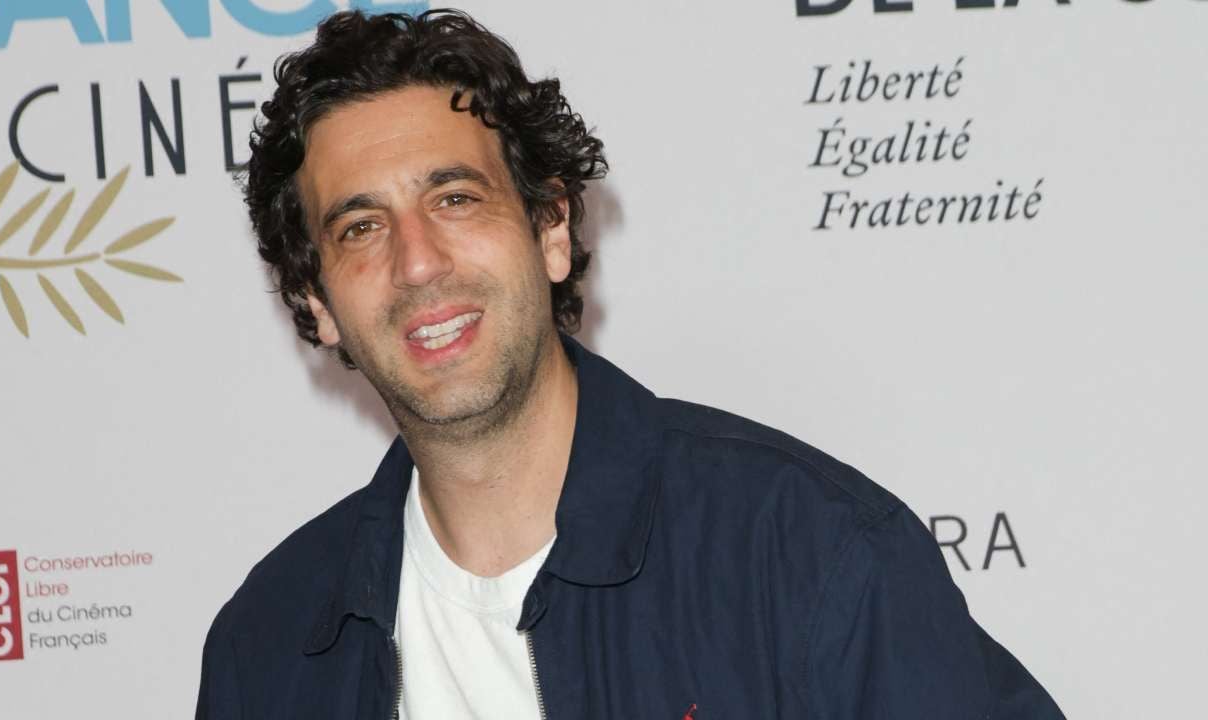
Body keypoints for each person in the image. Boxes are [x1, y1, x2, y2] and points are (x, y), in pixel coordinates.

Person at [196, 9, 1064, 719]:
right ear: (317, 302)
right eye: (360, 228)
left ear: (552, 229)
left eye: (455, 198)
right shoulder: (268, 647)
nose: (417, 262)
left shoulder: (808, 555)